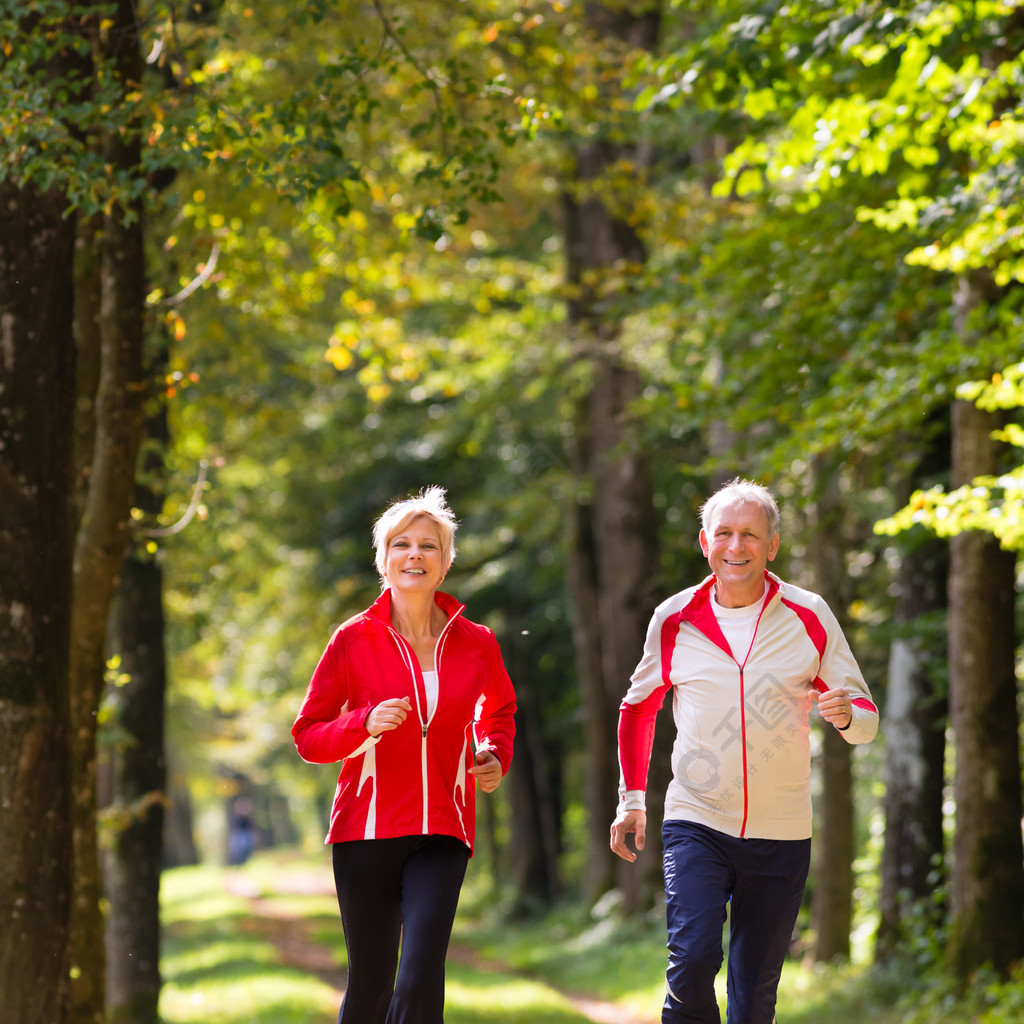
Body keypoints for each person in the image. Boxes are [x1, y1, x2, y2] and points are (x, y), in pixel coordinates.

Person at [610, 478, 878, 1024]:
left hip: (782, 832)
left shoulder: (809, 616)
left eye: (751, 535)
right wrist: (631, 799)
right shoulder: (674, 619)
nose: (737, 547)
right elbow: (638, 707)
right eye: (725, 533)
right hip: (697, 819)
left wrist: (847, 714)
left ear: (772, 545)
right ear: (705, 542)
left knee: (754, 996)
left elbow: (865, 719)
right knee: (691, 962)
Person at [292, 486, 517, 1024]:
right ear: (384, 560)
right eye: (401, 544)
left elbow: (500, 711)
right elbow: (308, 735)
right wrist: (362, 723)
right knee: (371, 989)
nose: (414, 554)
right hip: (365, 829)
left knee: (418, 979)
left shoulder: (476, 641)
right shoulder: (353, 639)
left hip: (445, 825)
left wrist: (493, 753)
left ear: (444, 565)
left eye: (428, 546)